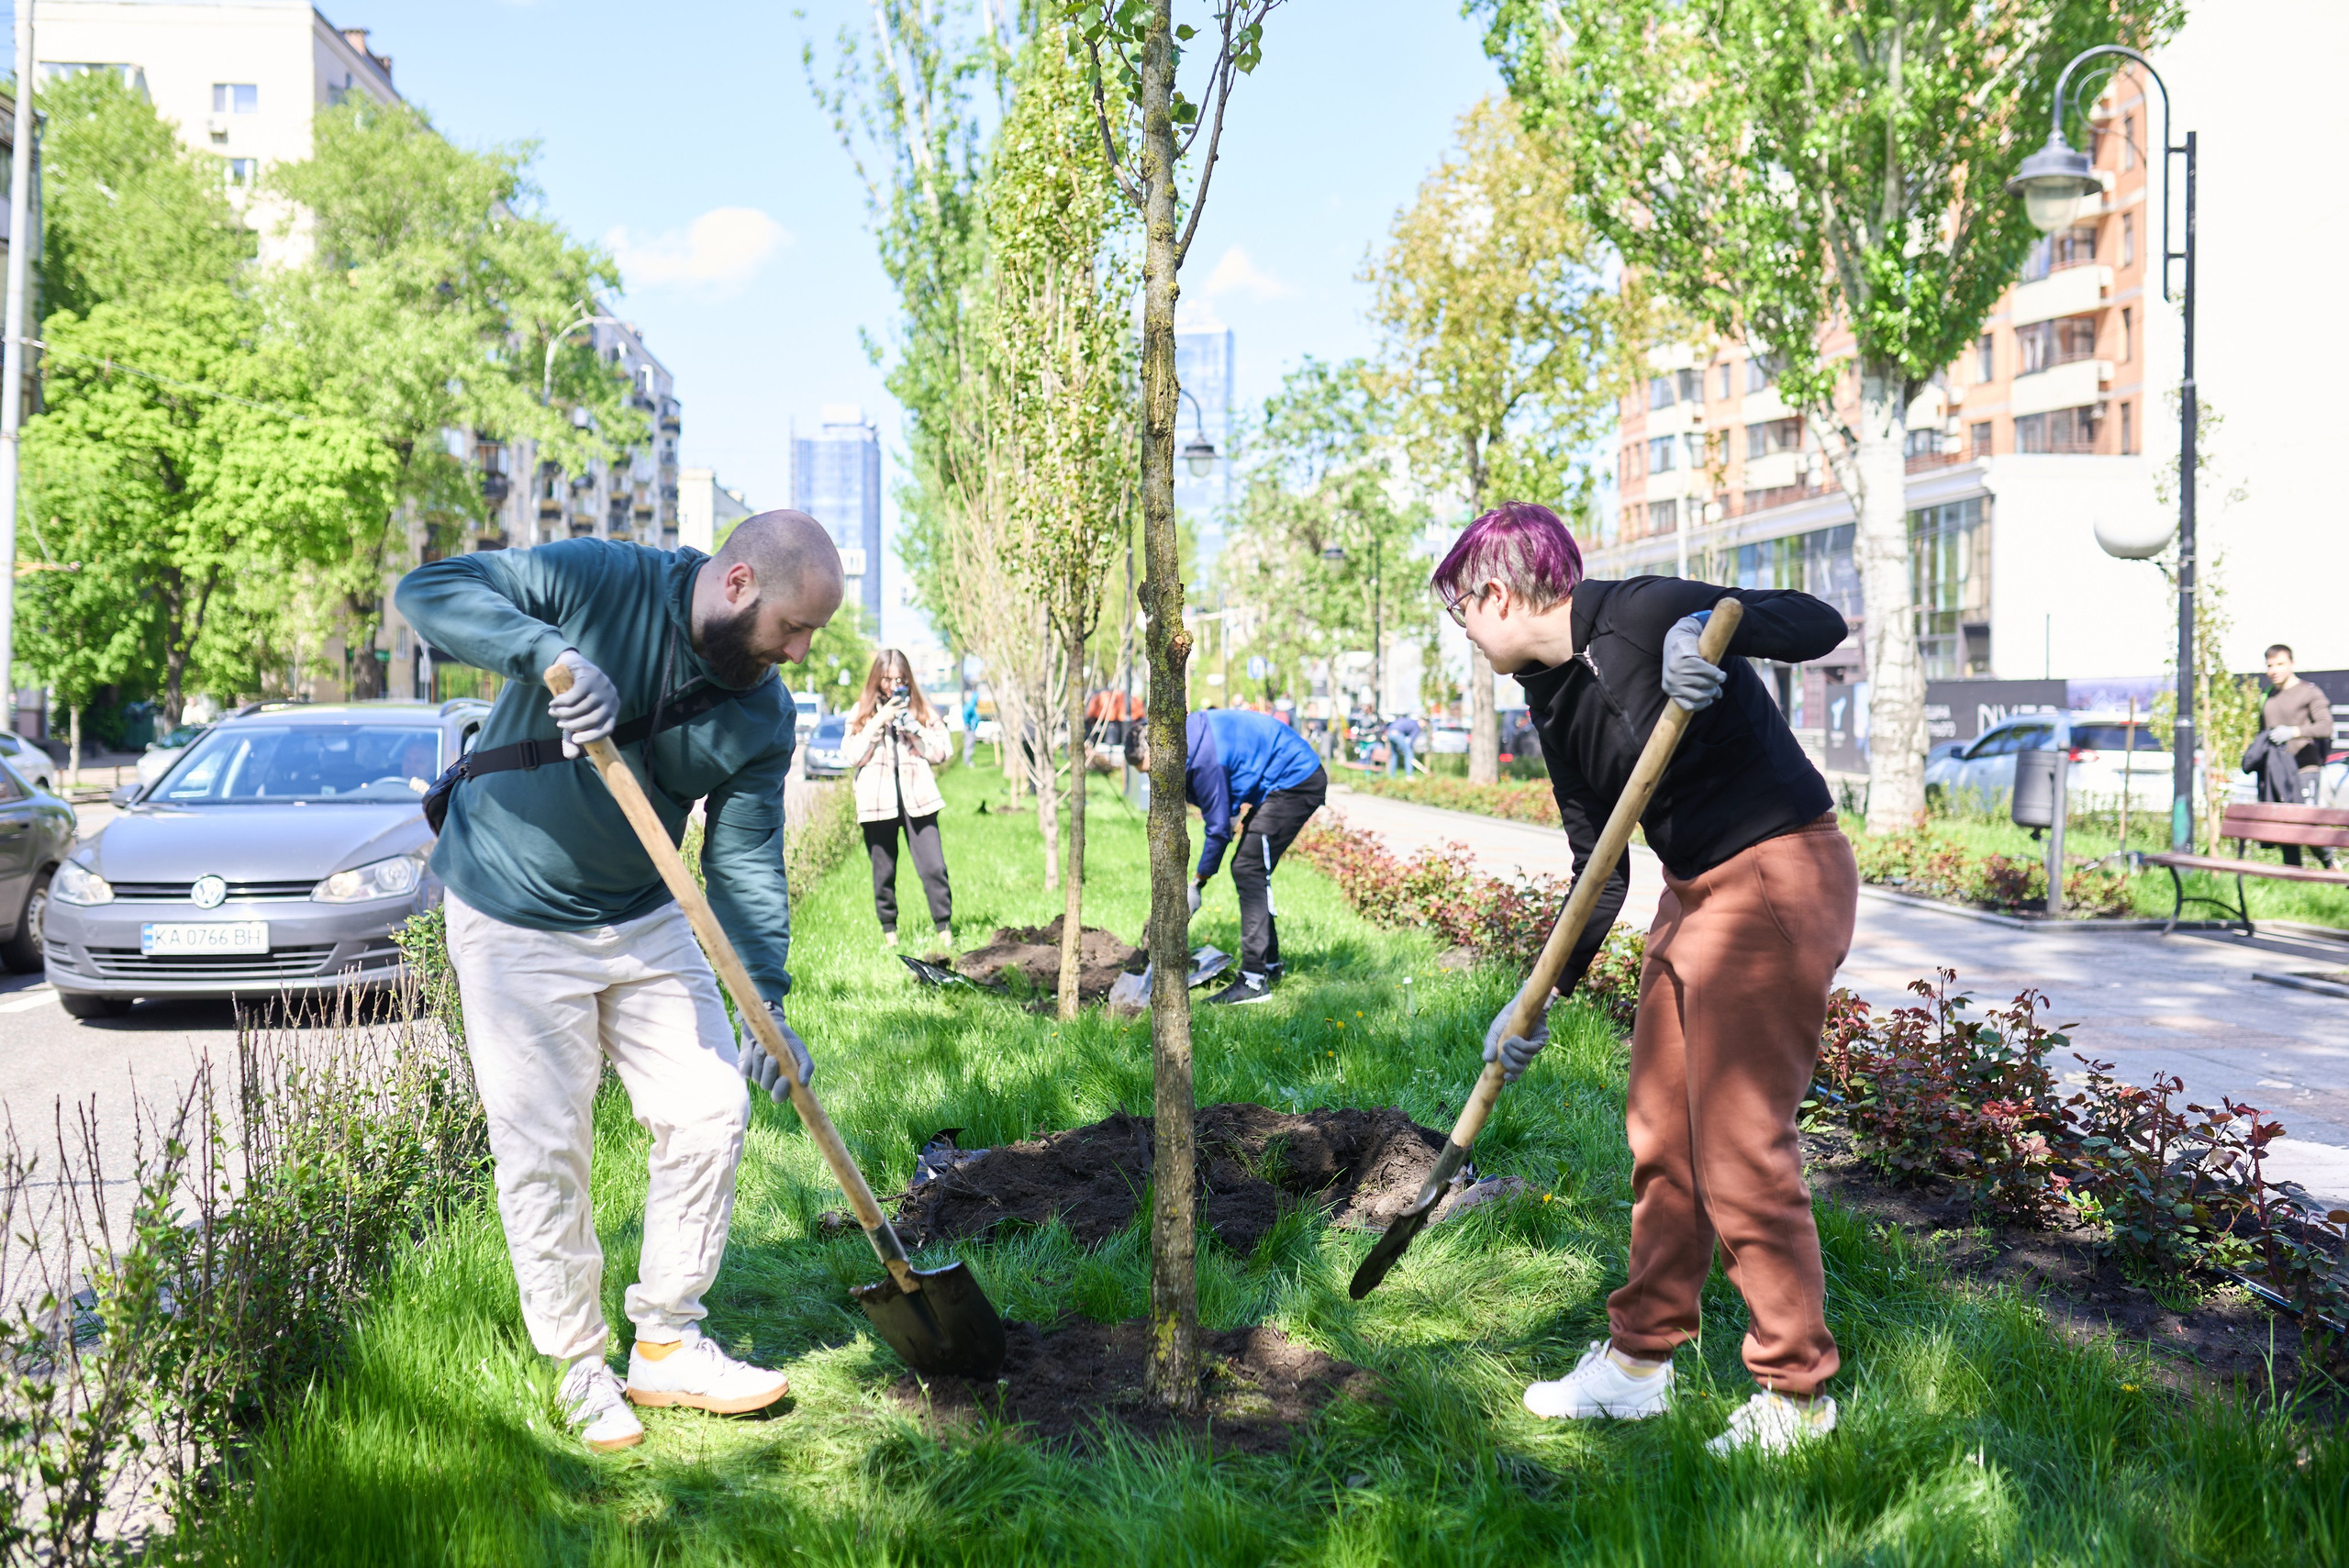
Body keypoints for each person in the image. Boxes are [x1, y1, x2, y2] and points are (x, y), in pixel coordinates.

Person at [394, 511, 843, 1455]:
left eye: (811, 637)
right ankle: (579, 1366)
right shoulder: (603, 579)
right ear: (736, 585)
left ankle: (668, 1337)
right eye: (792, 627)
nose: (798, 652)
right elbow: (428, 590)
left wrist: (765, 1002)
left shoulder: (761, 708)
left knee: (712, 1104)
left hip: (642, 911)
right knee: (544, 1143)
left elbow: (748, 854)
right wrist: (550, 656)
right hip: (510, 906)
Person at [1434, 500, 1854, 1458]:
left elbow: (1819, 623)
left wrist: (1700, 633)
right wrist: (1533, 995)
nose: (1463, 630)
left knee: (1740, 1144)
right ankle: (1636, 1364)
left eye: (1461, 609)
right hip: (1694, 889)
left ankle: (1798, 1398)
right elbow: (1599, 864)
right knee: (1661, 1133)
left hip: (1777, 872)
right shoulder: (1550, 693)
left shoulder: (1641, 609)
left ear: (1496, 592)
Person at [1126, 707, 1327, 1006]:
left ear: (1158, 748)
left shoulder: (1204, 760)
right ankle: (1269, 967)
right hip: (1279, 782)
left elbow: (1219, 830)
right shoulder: (1187, 737)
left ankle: (1254, 981)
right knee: (1250, 868)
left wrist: (1197, 883)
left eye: (1151, 769)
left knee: (1249, 868)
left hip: (1295, 782)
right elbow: (1226, 805)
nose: (1154, 778)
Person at [844, 649, 955, 950]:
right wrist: (878, 721)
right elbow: (853, 756)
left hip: (919, 799)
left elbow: (942, 752)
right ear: (876, 680)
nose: (894, 686)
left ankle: (944, 929)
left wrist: (912, 726)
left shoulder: (922, 710)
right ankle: (890, 933)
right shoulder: (862, 713)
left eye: (900, 679)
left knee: (933, 866)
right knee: (884, 871)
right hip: (877, 802)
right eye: (887, 679)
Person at [2261, 644, 2334, 867]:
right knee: (2285, 823)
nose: (2274, 670)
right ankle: (2292, 874)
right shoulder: (2269, 696)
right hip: (2278, 770)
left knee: (2306, 821)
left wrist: (2294, 732)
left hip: (2304, 766)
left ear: (2292, 664)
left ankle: (2332, 865)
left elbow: (2326, 727)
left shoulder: (2309, 691)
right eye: (2270, 665)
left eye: (2280, 664)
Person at [1385, 710, 1423, 777]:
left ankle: (1391, 776)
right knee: (1409, 754)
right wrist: (1406, 748)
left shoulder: (1408, 721)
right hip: (1398, 734)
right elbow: (1410, 741)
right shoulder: (1416, 727)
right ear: (1420, 721)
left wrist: (1401, 746)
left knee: (1394, 754)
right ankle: (1409, 775)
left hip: (1390, 733)